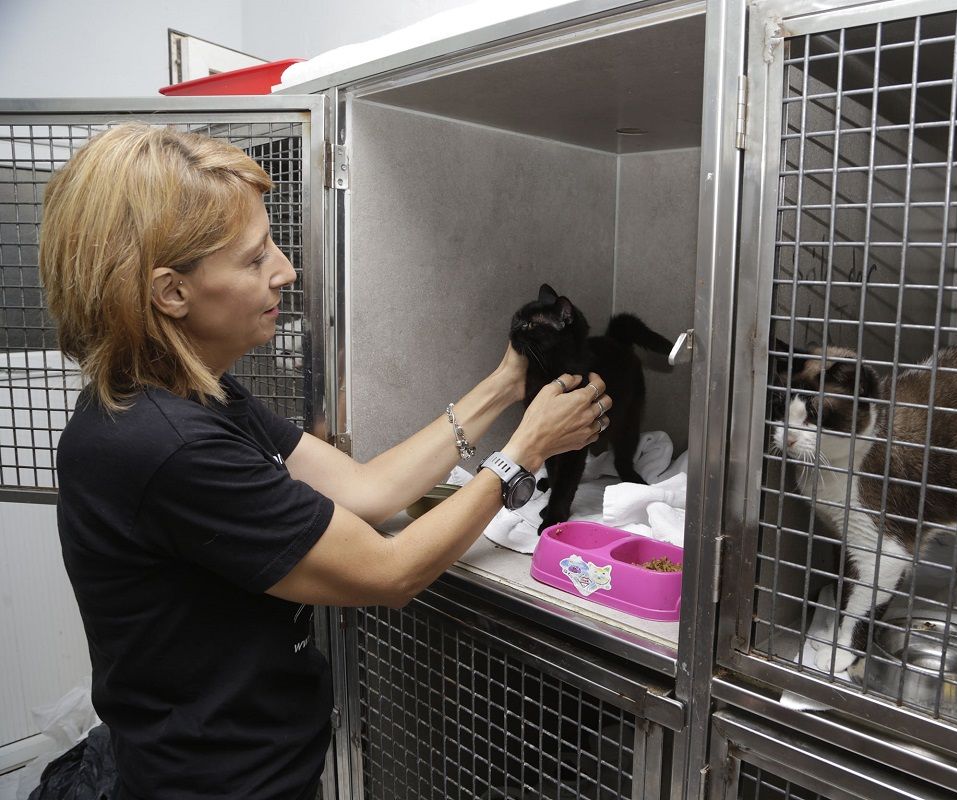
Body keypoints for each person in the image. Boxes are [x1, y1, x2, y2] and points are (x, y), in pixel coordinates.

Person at [36, 122, 612, 799]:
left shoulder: (184, 396)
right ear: (171, 293)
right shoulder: (169, 447)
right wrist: (523, 453)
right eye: (254, 260)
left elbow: (367, 490)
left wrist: (506, 385)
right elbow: (391, 572)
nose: (285, 269)